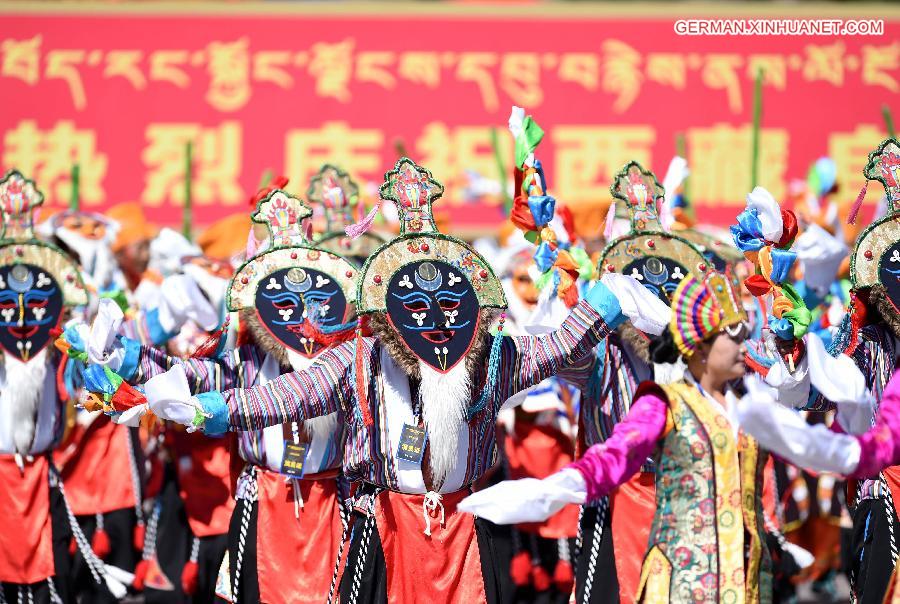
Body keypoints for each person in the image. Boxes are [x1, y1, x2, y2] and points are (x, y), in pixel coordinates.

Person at [102, 157, 670, 604]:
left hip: (469, 529)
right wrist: (198, 410)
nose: (438, 323)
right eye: (415, 307)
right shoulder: (357, 360)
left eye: (452, 305)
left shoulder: (491, 358)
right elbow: (274, 397)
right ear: (384, 314)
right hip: (383, 527)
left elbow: (562, 345)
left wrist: (607, 297)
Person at [460, 257, 786, 602]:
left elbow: (797, 413)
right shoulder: (617, 362)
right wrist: (557, 489)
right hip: (627, 501)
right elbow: (618, 447)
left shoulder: (729, 384)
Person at [0, 171, 88, 603]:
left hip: (41, 477)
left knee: (52, 583)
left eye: (35, 304)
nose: (19, 318)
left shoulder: (60, 350)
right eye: (6, 307)